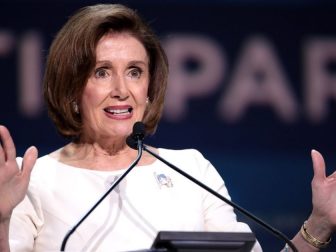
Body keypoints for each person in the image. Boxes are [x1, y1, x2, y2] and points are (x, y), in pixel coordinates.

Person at [0, 3, 335, 252]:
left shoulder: (192, 169)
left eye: (134, 71)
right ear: (72, 88)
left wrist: (319, 222)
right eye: (102, 71)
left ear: (149, 87)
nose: (122, 88)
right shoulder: (30, 181)